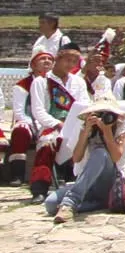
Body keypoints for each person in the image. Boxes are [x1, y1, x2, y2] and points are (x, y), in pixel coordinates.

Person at [44, 91, 125, 224]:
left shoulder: (123, 127)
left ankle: (70, 203)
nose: (103, 118)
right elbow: (76, 158)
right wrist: (86, 132)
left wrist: (107, 131)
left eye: (107, 113)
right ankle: (99, 203)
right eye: (99, 113)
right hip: (88, 182)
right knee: (51, 204)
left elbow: (116, 157)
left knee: (100, 153)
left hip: (111, 181)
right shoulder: (86, 128)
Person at [27, 46, 88, 200]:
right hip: (51, 126)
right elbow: (38, 110)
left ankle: (78, 181)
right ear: (58, 60)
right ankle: (39, 188)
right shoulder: (41, 82)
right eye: (67, 60)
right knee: (47, 144)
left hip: (75, 124)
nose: (70, 64)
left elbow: (84, 105)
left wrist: (75, 123)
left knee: (87, 140)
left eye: (74, 62)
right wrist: (57, 124)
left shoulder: (79, 82)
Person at [7, 51, 53, 187]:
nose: (47, 61)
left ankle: (56, 175)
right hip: (29, 121)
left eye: (50, 59)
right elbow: (19, 112)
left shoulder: (55, 83)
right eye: (42, 59)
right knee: (20, 131)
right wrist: (36, 125)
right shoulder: (22, 85)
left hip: (48, 121)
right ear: (33, 65)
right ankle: (17, 174)